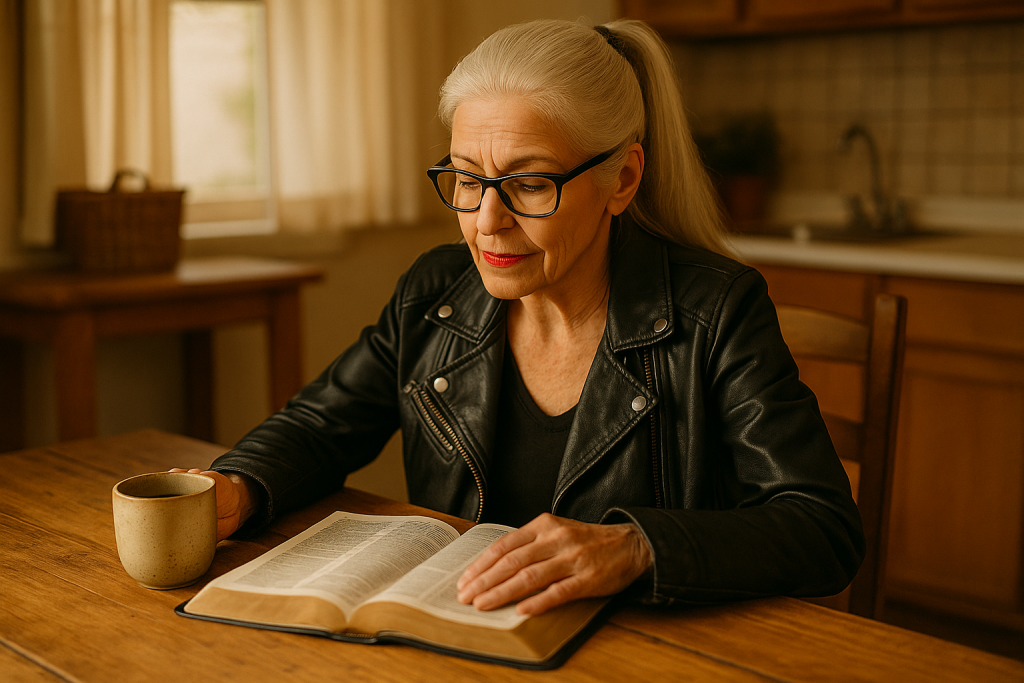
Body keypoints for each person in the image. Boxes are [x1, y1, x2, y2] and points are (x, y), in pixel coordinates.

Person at [173, 18, 863, 617]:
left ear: (621, 179)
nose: (486, 222)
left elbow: (822, 527)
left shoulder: (717, 310)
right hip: (464, 638)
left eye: (530, 182)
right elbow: (320, 427)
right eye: (468, 179)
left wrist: (636, 546)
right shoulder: (435, 293)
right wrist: (238, 486)